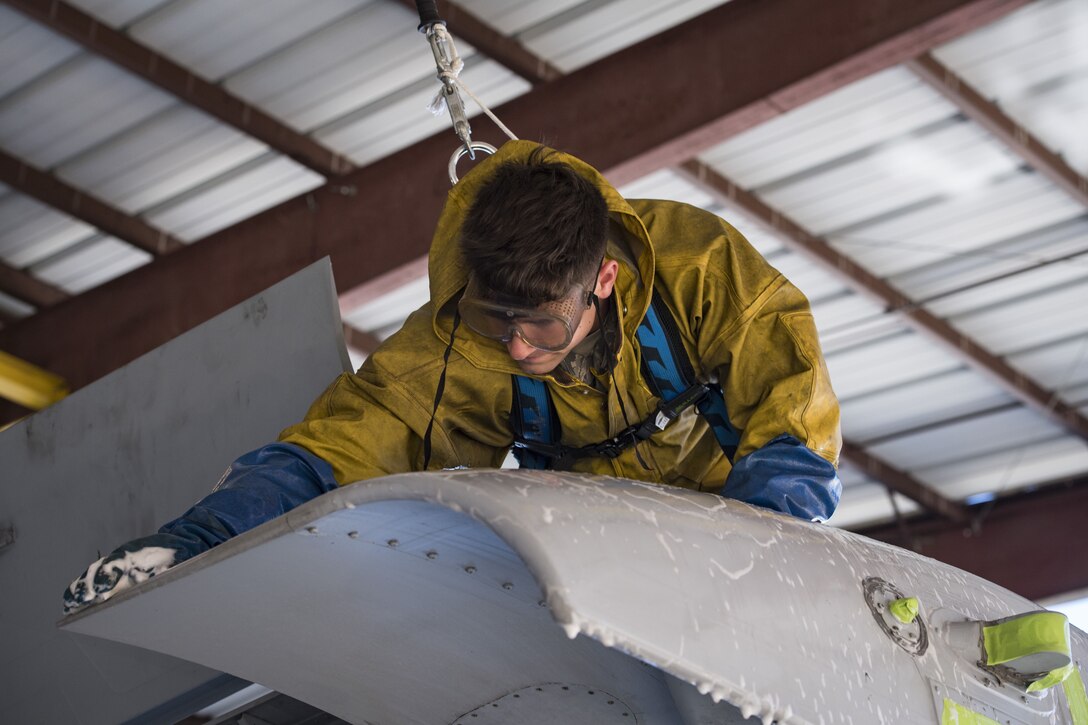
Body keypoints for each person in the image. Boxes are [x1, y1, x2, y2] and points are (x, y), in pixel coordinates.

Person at [63, 141, 842, 613]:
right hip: (595, 553)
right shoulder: (459, 339)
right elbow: (346, 444)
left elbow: (790, 417)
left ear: (602, 282)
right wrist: (200, 538)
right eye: (495, 319)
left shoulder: (702, 273)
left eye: (539, 322)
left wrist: (758, 562)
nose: (515, 347)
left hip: (732, 533)